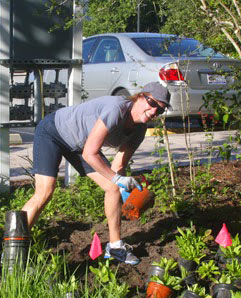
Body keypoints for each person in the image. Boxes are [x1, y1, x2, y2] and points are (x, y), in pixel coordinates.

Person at [21, 81, 170, 265]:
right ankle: (12, 246)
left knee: (113, 188)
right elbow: (90, 154)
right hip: (54, 132)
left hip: (81, 144)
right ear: (140, 97)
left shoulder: (139, 130)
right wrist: (117, 178)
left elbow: (117, 167)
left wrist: (124, 185)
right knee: (45, 191)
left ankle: (115, 247)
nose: (154, 111)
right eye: (153, 103)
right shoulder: (116, 109)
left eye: (160, 110)